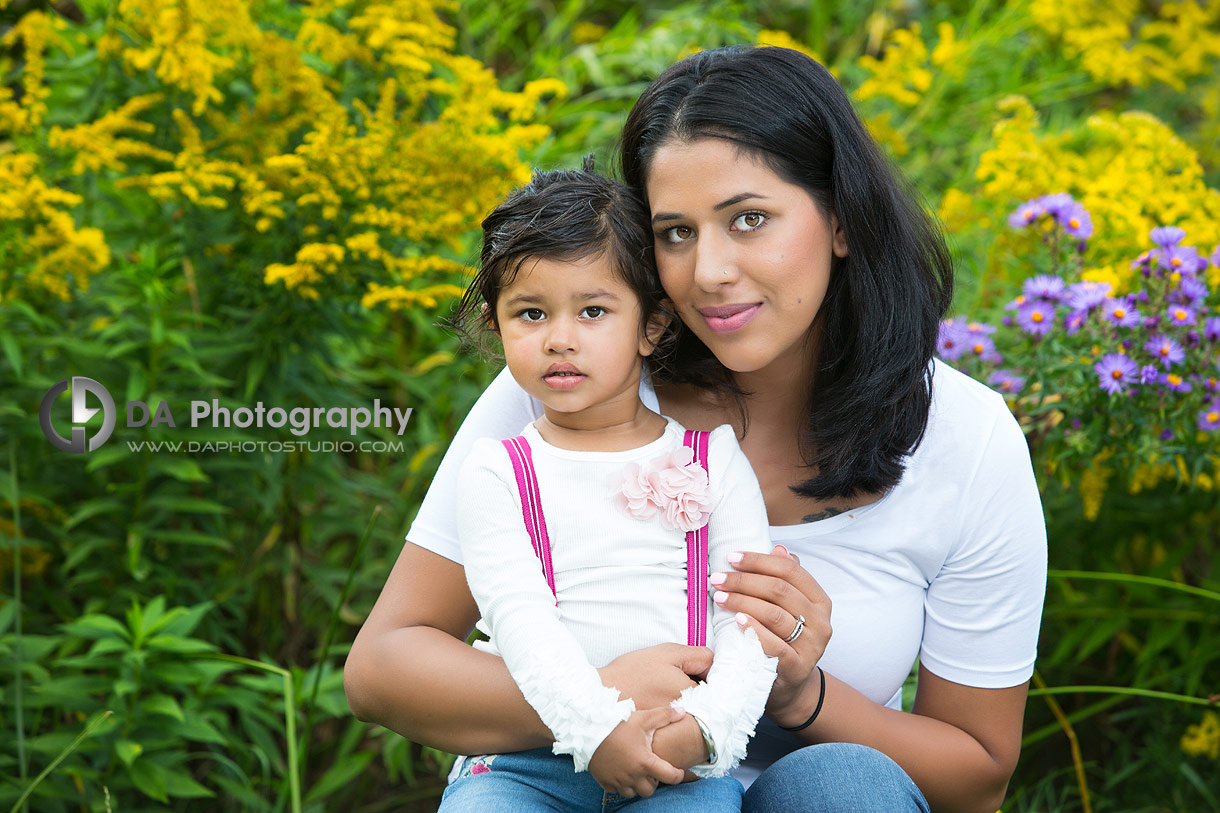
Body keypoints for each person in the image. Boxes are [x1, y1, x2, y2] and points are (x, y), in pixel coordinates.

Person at [345, 44, 1048, 813]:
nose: (708, 271)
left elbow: (979, 774)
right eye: (676, 232)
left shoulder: (966, 438)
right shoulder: (570, 382)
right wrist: (601, 698)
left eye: (750, 219)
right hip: (557, 779)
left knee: (845, 785)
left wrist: (799, 693)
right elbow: (383, 666)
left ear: (841, 220)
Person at [438, 161, 778, 810]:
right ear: (495, 325)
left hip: (675, 750)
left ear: (652, 325)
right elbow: (520, 617)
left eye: (593, 310)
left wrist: (706, 733)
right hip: (523, 761)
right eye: (530, 313)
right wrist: (596, 732)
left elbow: (747, 623)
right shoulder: (498, 469)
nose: (560, 339)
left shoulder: (713, 458)